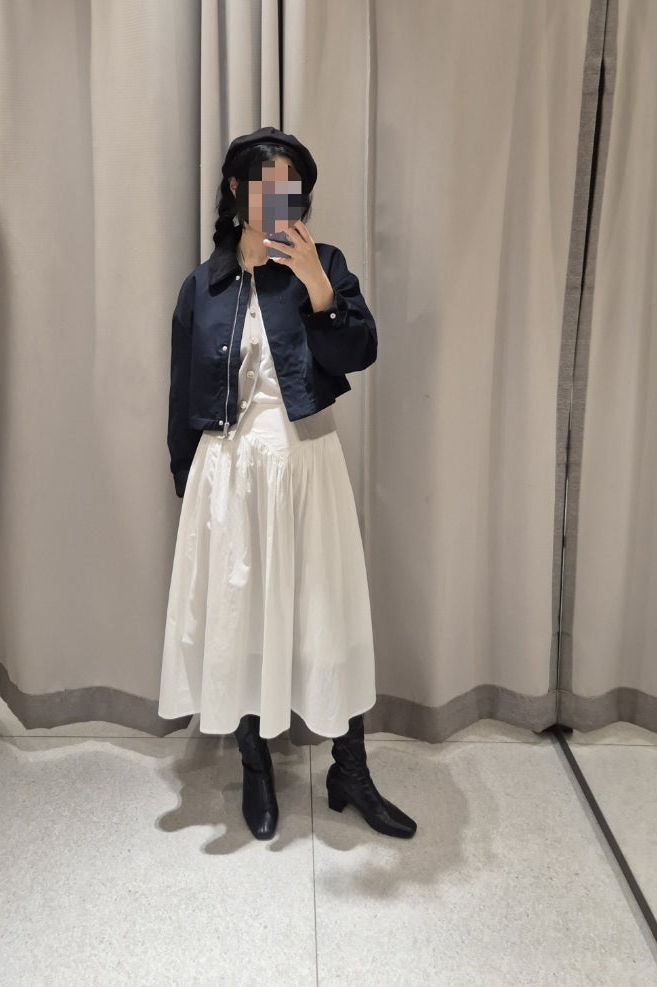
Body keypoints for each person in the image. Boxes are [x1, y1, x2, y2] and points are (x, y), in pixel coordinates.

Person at [158, 126, 416, 842]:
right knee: (240, 614)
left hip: (307, 465)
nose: (282, 199)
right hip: (228, 476)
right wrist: (187, 482)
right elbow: (181, 393)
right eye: (268, 185)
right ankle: (255, 765)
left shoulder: (322, 263)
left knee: (328, 610)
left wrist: (318, 289)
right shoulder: (202, 285)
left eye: (293, 189)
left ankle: (350, 770)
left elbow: (359, 350)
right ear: (236, 191)